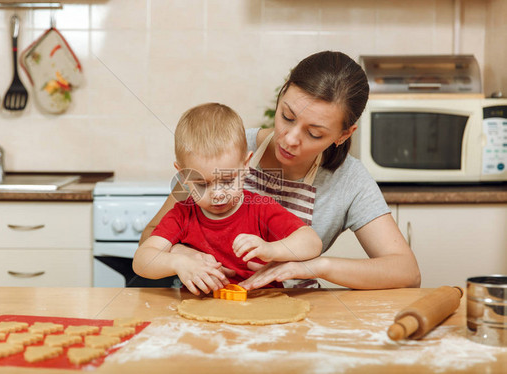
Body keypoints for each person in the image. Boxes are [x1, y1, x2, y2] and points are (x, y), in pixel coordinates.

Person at [140, 51, 421, 290]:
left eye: (314, 133)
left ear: (344, 134)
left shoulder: (350, 180)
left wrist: (316, 266)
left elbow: (407, 272)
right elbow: (150, 238)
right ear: (282, 93)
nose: (289, 139)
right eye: (287, 116)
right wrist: (184, 256)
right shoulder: (223, 152)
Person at [133, 103, 322, 295]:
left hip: (262, 308)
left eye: (228, 180)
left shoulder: (259, 209)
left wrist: (271, 249)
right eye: (202, 184)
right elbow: (141, 260)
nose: (218, 194)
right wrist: (178, 262)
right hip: (201, 313)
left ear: (245, 165)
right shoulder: (182, 215)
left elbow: (312, 242)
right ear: (183, 176)